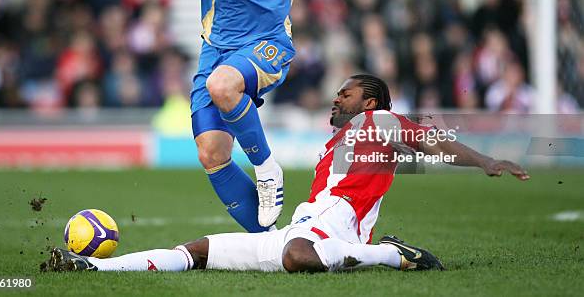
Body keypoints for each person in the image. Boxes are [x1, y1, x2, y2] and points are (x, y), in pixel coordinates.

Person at [138, 0, 432, 232]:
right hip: (216, 48)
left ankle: (267, 170)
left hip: (268, 44)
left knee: (222, 85)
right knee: (211, 152)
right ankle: (270, 240)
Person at [41, 74, 529, 274]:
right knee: (199, 251)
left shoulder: (379, 123)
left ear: (371, 101)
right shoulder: (339, 141)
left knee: (299, 256)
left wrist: (485, 161)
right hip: (305, 221)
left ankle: (389, 253)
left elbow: (432, 140)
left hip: (340, 226)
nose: (337, 98)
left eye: (348, 92)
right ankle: (95, 266)